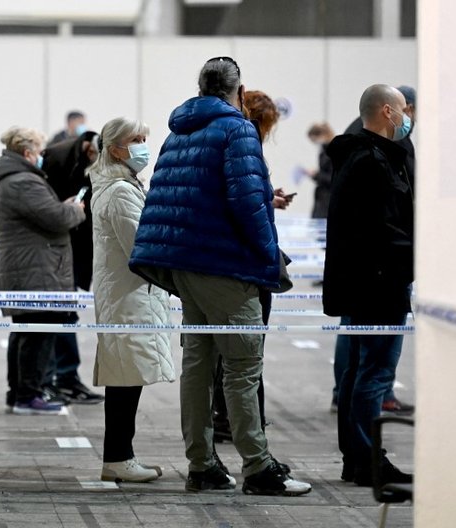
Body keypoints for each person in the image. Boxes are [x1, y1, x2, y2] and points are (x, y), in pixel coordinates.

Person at [129, 56, 311, 496]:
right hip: (226, 266)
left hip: (186, 264)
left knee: (198, 366)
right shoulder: (237, 129)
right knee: (243, 367)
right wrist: (270, 259)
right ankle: (259, 466)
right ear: (238, 90)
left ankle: (203, 465)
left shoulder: (179, 132)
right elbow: (247, 203)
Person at [323, 84, 414, 488]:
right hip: (379, 283)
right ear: (387, 112)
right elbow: (384, 230)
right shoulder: (373, 162)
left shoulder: (357, 156)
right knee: (373, 374)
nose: (408, 117)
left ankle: (358, 457)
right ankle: (365, 458)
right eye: (403, 110)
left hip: (362, 282)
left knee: (357, 373)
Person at [88, 117, 175, 483]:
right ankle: (119, 456)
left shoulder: (123, 186)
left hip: (129, 294)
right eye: (134, 140)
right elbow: (140, 247)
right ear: (114, 149)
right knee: (125, 378)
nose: (142, 146)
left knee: (128, 375)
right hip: (129, 296)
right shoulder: (120, 191)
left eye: (144, 138)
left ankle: (121, 455)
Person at [210, 90, 293, 449]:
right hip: (245, 263)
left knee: (218, 352)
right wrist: (267, 254)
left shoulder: (217, 139)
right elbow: (242, 206)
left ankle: (227, 420)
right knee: (245, 353)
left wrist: (265, 196)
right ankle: (245, 432)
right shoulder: (243, 144)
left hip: (222, 262)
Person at [0, 126, 86, 415]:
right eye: (40, 151)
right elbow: (56, 218)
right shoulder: (23, 182)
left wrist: (62, 207)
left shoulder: (13, 179)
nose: (43, 157)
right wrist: (77, 209)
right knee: (38, 334)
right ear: (28, 152)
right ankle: (28, 395)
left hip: (28, 268)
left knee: (26, 333)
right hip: (36, 270)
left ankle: (19, 392)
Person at [40, 131, 105, 405]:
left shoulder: (96, 160)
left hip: (80, 248)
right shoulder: (58, 157)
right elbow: (49, 210)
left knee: (66, 313)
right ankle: (62, 378)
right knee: (61, 314)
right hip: (60, 247)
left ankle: (62, 377)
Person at [307, 122, 334, 220]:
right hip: (322, 196)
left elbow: (333, 178)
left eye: (314, 140)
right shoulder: (323, 151)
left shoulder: (334, 151)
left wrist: (317, 175)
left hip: (329, 198)